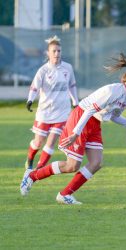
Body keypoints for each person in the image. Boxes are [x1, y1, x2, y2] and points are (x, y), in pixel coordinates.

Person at [20, 53, 126, 205]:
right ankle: (32, 177)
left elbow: (113, 116)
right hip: (81, 118)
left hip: (94, 124)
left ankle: (65, 194)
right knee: (72, 165)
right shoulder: (114, 91)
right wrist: (75, 133)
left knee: (96, 163)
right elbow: (89, 110)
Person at [24, 35, 79, 170]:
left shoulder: (68, 68)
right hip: (45, 112)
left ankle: (37, 170)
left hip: (62, 112)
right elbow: (34, 87)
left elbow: (72, 85)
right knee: (38, 142)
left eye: (59, 51)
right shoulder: (43, 70)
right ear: (48, 53)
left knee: (51, 143)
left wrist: (75, 101)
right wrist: (30, 100)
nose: (56, 53)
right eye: (53, 51)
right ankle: (30, 159)